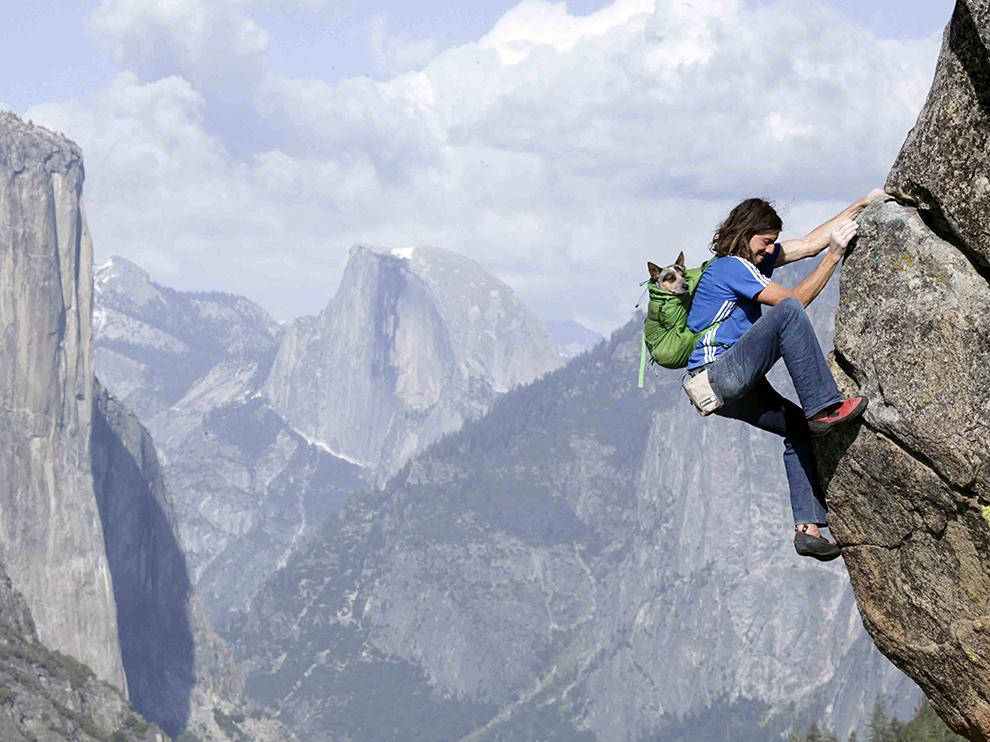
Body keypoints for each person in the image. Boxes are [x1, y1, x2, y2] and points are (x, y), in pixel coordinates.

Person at [685, 189, 887, 561]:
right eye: (765, 242)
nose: (768, 250)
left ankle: (807, 529)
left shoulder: (751, 263)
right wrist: (835, 257)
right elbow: (794, 302)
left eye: (773, 243)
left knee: (795, 428)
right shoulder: (732, 266)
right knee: (789, 312)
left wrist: (862, 204)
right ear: (745, 234)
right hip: (719, 372)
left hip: (718, 389)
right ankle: (825, 407)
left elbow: (809, 243)